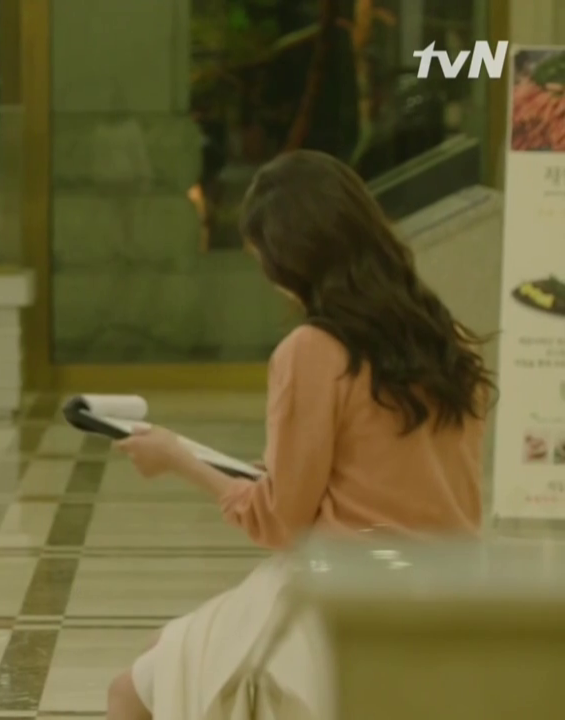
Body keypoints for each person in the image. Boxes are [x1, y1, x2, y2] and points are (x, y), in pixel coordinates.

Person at [107, 149, 494, 720]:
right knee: (168, 658)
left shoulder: (313, 350)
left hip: (344, 598)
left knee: (134, 690)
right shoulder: (445, 340)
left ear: (291, 263)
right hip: (449, 596)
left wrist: (176, 458)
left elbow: (280, 522)